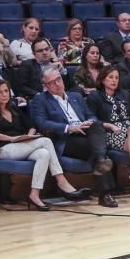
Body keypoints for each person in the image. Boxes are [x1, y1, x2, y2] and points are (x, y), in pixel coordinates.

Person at [0, 79, 91, 210]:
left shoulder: (13, 108)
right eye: (0, 92)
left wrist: (29, 136)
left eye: (6, 91)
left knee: (44, 154)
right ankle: (61, 181)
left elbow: (31, 125)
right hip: (3, 148)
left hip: (22, 145)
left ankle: (34, 195)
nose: (4, 94)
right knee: (46, 141)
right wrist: (10, 138)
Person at [30, 67, 118, 208]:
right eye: (52, 83)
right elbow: (41, 123)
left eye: (58, 79)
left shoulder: (75, 96)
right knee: (96, 149)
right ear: (46, 86)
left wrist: (88, 122)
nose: (57, 84)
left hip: (86, 132)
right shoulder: (40, 99)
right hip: (66, 139)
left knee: (97, 126)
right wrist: (69, 128)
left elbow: (91, 115)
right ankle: (105, 192)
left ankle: (101, 162)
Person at [87, 66, 130, 199]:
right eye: (110, 77)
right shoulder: (95, 96)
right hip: (112, 133)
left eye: (116, 78)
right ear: (103, 79)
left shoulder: (125, 94)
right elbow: (92, 120)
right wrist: (109, 125)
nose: (114, 80)